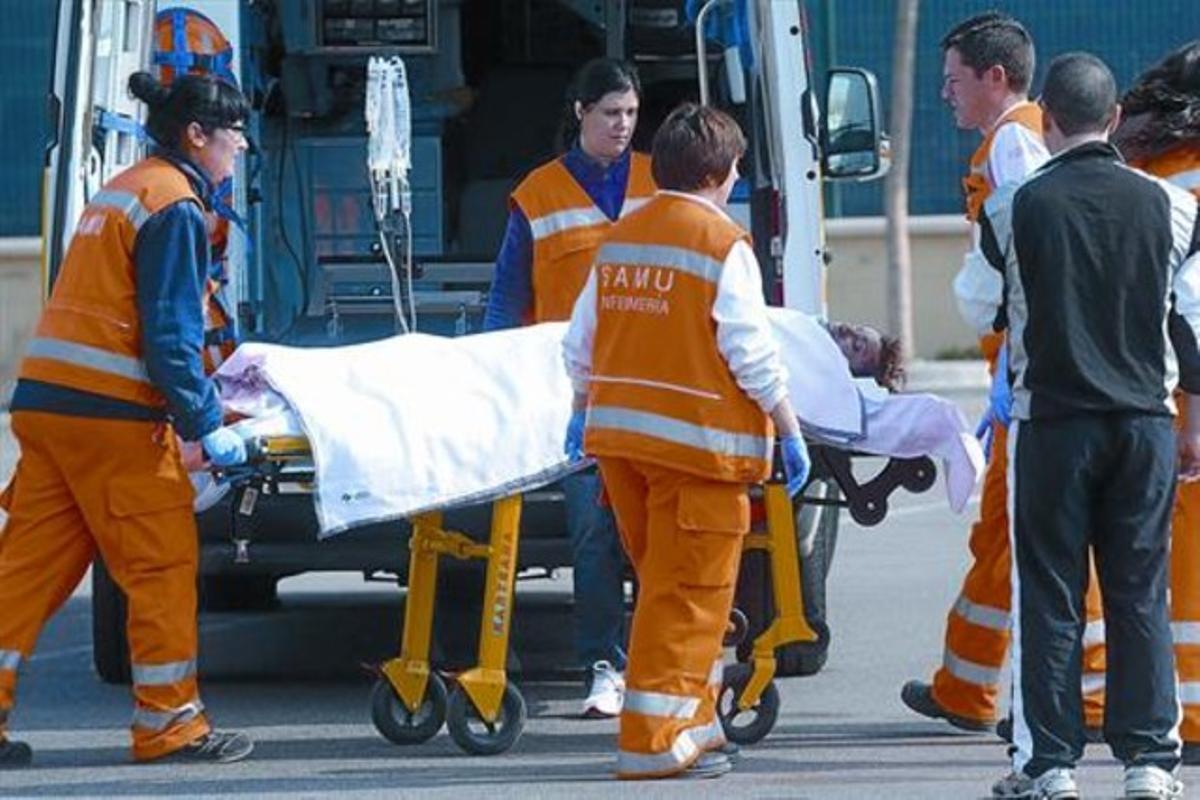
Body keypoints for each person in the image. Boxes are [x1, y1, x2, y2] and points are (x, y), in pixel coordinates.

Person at [0, 71, 253, 768]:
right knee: (160, 565)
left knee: (24, 572)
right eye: (233, 133)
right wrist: (205, 423)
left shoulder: (123, 190)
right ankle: (170, 727)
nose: (239, 146)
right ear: (196, 135)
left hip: (49, 406)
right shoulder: (175, 207)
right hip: (113, 420)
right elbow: (169, 336)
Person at [965, 51, 1197, 800]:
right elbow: (1191, 318)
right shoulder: (1172, 207)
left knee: (1051, 595)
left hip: (1053, 426)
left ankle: (1049, 765)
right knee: (1140, 593)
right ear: (1116, 118)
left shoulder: (1012, 207)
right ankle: (1150, 763)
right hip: (1144, 425)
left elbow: (976, 303)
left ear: (1049, 122)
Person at [562, 103, 810, 780]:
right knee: (689, 596)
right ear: (720, 173)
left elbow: (579, 343)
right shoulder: (721, 244)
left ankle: (696, 723)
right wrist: (788, 427)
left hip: (622, 449)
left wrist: (581, 409)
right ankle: (651, 742)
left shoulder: (621, 237)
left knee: (665, 588)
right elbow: (750, 353)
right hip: (699, 454)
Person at [901, 11, 1107, 735]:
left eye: (954, 80)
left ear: (995, 77)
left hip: (1030, 372)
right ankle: (966, 686)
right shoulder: (1009, 140)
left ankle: (1090, 693)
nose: (946, 95)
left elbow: (1033, 258)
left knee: (1044, 528)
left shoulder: (1016, 143)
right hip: (1021, 366)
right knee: (1002, 530)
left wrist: (1019, 362)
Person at [483, 57, 655, 718]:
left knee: (659, 533)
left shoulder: (659, 180)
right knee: (593, 531)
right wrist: (495, 378)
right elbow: (507, 298)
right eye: (611, 112)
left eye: (631, 113)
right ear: (581, 111)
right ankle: (603, 664)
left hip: (654, 387)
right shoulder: (539, 195)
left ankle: (660, 660)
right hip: (577, 394)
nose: (622, 125)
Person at [1113, 38, 1200, 767]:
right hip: (1182, 380)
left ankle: (1187, 707)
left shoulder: (1142, 167)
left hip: (1157, 379)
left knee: (1178, 561)